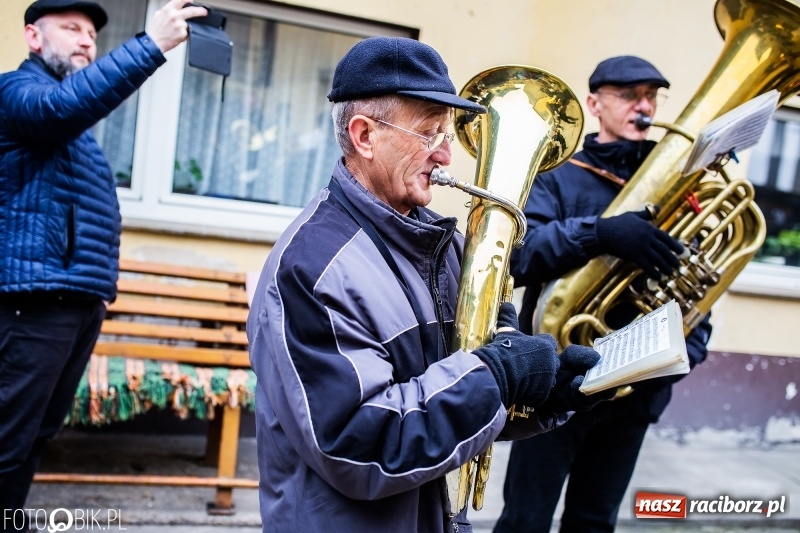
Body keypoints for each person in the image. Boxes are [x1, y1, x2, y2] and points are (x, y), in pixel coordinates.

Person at [246, 36, 612, 533]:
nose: (446, 157)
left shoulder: (442, 245)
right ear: (365, 136)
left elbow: (462, 384)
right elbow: (360, 444)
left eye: (447, 134)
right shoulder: (311, 269)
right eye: (430, 133)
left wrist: (545, 397)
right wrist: (496, 376)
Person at [0, 0, 209, 528]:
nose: (86, 40)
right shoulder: (15, 92)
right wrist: (151, 44)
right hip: (33, 304)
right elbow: (59, 109)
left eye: (91, 33)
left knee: (35, 440)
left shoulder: (74, 126)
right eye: (70, 28)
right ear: (32, 37)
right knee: (7, 441)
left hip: (76, 302)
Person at [493, 55, 713, 533]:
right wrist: (600, 233)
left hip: (636, 388)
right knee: (524, 520)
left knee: (595, 522)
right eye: (629, 95)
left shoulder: (678, 179)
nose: (644, 106)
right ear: (595, 104)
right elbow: (520, 253)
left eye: (652, 96)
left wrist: (688, 350)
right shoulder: (559, 172)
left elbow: (694, 276)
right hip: (559, 379)